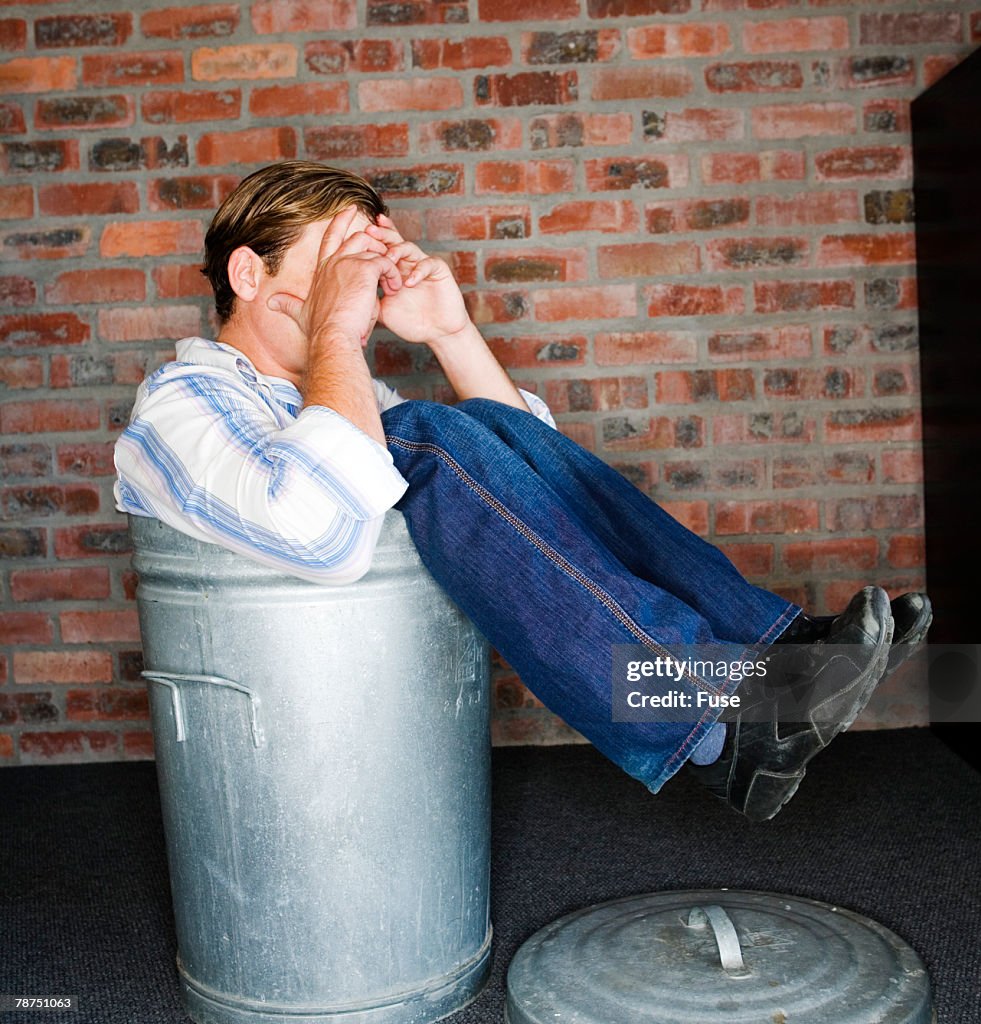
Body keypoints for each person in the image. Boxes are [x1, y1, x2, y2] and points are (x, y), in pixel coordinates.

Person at [114, 161, 931, 822]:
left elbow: (537, 482)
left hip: (386, 736)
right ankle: (722, 722)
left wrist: (448, 333)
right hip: (293, 751)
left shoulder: (345, 401)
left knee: (461, 440)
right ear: (250, 272)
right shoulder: (180, 406)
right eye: (340, 263)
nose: (359, 286)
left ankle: (776, 657)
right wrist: (337, 331)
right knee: (430, 434)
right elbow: (318, 540)